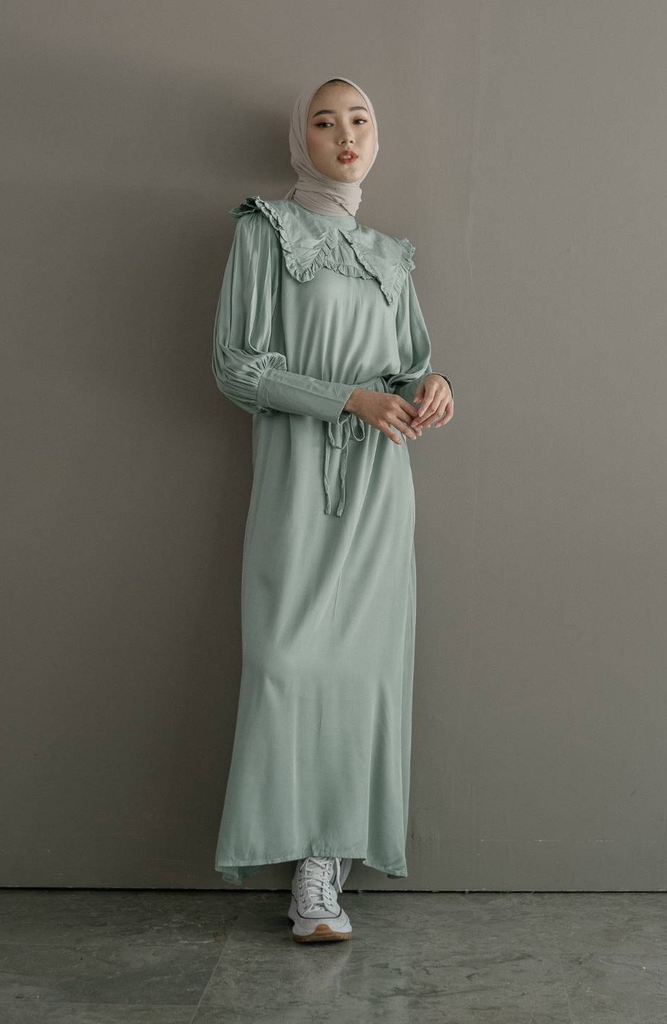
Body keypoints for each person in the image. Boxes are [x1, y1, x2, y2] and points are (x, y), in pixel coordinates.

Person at [211, 75, 455, 943]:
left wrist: (433, 386)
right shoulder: (264, 230)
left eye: (359, 120)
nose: (345, 134)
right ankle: (301, 847)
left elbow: (409, 364)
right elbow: (236, 366)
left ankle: (323, 869)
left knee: (365, 674)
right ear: (300, 140)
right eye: (325, 121)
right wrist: (346, 398)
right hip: (297, 474)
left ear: (376, 140)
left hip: (382, 485)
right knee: (284, 660)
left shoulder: (392, 256)